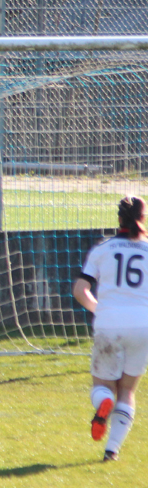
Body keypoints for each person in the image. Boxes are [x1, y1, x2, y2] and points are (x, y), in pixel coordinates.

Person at [73, 196, 148, 462]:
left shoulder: (102, 249)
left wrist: (99, 310)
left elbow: (80, 290)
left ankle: (103, 401)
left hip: (109, 323)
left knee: (103, 387)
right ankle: (111, 450)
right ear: (144, 218)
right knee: (127, 391)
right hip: (142, 326)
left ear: (119, 219)